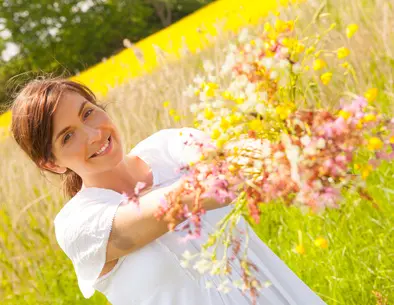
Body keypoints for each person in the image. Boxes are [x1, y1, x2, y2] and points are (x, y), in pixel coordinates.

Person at [10, 78, 327, 305]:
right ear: (50, 163)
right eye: (68, 137)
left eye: (88, 112)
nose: (94, 135)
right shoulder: (80, 226)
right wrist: (275, 149)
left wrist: (297, 137)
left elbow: (243, 167)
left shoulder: (171, 146)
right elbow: (187, 198)